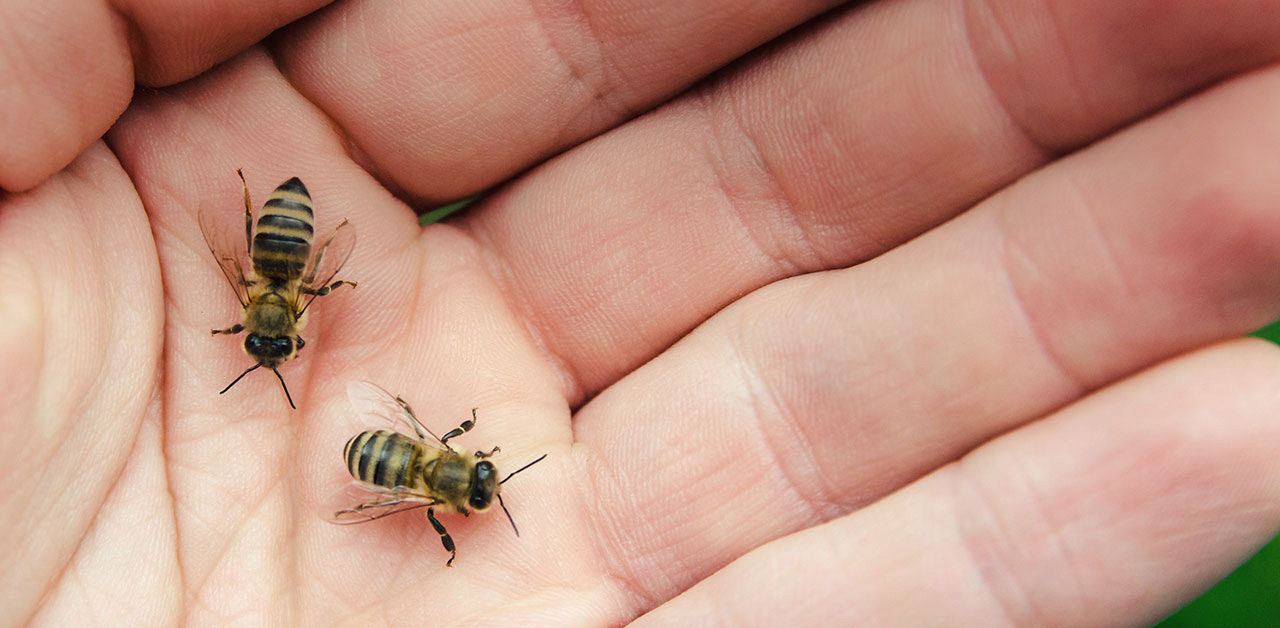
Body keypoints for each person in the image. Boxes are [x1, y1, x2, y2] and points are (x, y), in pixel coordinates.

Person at [3, 0, 1280, 625]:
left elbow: (380, 438)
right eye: (468, 487)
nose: (470, 483)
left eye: (465, 486)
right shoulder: (391, 444)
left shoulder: (314, 355)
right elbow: (383, 458)